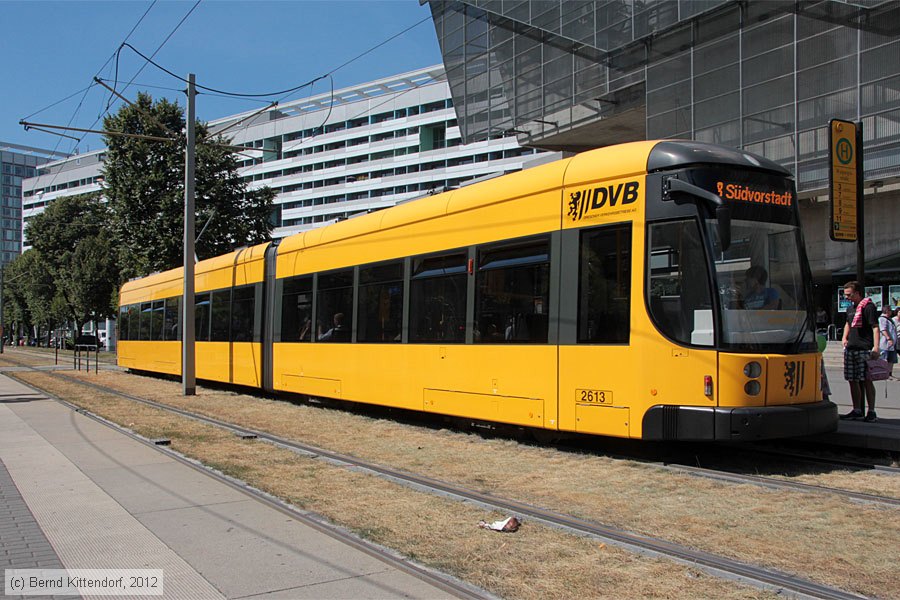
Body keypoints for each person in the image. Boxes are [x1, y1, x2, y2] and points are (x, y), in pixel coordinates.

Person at [840, 281, 880, 422]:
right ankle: (857, 409)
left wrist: (876, 347)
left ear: (857, 293)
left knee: (867, 380)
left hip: (864, 349)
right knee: (852, 380)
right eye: (845, 295)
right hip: (851, 348)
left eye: (849, 295)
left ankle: (871, 411)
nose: (847, 297)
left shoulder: (868, 307)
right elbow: (847, 323)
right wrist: (844, 337)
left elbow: (875, 327)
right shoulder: (850, 309)